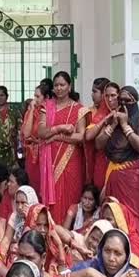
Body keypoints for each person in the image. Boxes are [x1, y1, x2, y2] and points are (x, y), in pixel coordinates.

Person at [98, 85, 139, 234]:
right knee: (112, 216)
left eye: (127, 100)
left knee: (132, 218)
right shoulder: (112, 120)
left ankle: (134, 249)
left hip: (132, 179)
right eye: (120, 100)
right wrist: (114, 124)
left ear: (135, 102)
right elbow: (98, 144)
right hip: (113, 176)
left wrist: (124, 125)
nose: (123, 104)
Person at [37, 71, 85, 223]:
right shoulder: (47, 106)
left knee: (71, 195)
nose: (59, 88)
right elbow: (41, 132)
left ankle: (69, 233)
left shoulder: (79, 109)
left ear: (69, 87)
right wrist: (59, 129)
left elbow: (81, 137)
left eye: (62, 85)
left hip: (71, 161)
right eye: (56, 85)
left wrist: (58, 137)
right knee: (53, 199)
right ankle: (51, 231)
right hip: (50, 160)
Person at [81, 78, 111, 189]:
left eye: (95, 92)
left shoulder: (115, 111)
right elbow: (87, 136)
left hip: (110, 158)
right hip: (93, 157)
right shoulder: (88, 112)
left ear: (104, 94)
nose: (92, 95)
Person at [22, 83, 50, 195]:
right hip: (32, 156)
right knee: (33, 185)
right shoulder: (32, 111)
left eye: (38, 97)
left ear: (46, 97)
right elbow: (26, 133)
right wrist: (32, 110)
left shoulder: (51, 111)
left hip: (46, 153)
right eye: (34, 96)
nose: (35, 99)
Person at [0, 185, 39, 259]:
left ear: (31, 201)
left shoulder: (39, 217)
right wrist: (0, 258)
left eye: (23, 203)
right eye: (17, 202)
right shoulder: (15, 216)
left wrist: (28, 219)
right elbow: (6, 240)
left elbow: (35, 241)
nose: (19, 207)